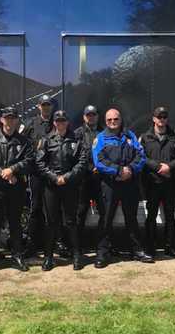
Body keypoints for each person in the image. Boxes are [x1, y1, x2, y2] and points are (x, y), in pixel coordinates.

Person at [92, 107, 153, 268]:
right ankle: (102, 253)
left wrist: (130, 169)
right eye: (109, 120)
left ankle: (137, 250)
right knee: (106, 219)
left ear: (120, 119)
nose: (113, 122)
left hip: (129, 183)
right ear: (105, 122)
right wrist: (118, 170)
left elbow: (141, 156)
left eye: (116, 119)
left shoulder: (130, 136)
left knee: (131, 218)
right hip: (110, 184)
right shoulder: (101, 138)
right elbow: (99, 161)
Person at [0, 106, 33, 273]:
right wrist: (4, 172)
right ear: (1, 120)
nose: (9, 121)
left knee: (15, 223)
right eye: (6, 118)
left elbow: (30, 160)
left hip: (16, 187)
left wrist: (13, 169)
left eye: (13, 118)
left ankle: (17, 257)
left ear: (17, 120)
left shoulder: (24, 141)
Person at [36, 110, 88, 271]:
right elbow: (39, 163)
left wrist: (66, 177)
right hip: (51, 187)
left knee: (71, 221)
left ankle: (77, 255)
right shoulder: (45, 140)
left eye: (63, 120)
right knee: (51, 222)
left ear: (67, 122)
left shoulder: (77, 140)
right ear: (54, 123)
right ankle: (49, 257)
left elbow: (82, 162)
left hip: (70, 186)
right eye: (57, 121)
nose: (60, 123)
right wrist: (54, 177)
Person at [140, 106, 175, 258]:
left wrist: (169, 166)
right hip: (152, 183)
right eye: (158, 117)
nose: (161, 120)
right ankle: (150, 247)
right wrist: (156, 166)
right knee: (151, 215)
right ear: (153, 119)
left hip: (170, 183)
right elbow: (139, 156)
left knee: (170, 215)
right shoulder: (145, 137)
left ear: (167, 119)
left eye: (164, 117)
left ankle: (170, 247)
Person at [22, 94, 55, 257]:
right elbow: (22, 144)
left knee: (54, 209)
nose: (46, 107)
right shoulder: (30, 124)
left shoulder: (58, 122)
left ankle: (55, 244)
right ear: (38, 106)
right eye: (43, 105)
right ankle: (32, 245)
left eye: (48, 104)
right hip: (36, 173)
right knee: (35, 208)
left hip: (53, 172)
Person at [74, 105, 105, 251]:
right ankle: (77, 247)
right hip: (83, 179)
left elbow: (109, 153)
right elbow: (74, 156)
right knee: (80, 213)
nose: (90, 117)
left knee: (104, 214)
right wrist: (88, 167)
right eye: (88, 115)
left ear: (97, 116)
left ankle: (103, 246)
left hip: (101, 179)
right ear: (84, 117)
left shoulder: (104, 132)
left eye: (93, 114)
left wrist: (101, 167)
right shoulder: (77, 134)